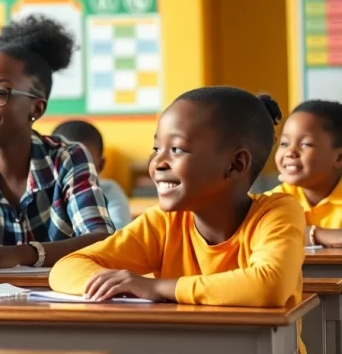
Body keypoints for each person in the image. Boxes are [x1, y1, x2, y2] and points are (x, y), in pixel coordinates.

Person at [48, 88, 304, 314]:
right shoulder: (163, 222)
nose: (157, 163)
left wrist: (155, 287)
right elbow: (67, 268)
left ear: (235, 165)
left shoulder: (277, 211)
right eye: (157, 149)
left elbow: (270, 285)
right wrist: (121, 287)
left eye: (177, 149)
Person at [0, 15, 114, 271]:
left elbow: (102, 241)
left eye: (0, 92)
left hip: (58, 304)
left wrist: (22, 254)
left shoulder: (67, 159)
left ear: (36, 107)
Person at [268, 100, 342, 247]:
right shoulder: (276, 200)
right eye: (284, 143)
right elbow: (265, 236)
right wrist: (317, 235)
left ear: (339, 158)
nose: (290, 152)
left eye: (305, 144)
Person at [53, 120, 132, 229]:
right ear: (50, 162)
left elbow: (119, 234)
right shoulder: (42, 193)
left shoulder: (109, 191)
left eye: (85, 165)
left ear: (100, 165)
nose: (74, 173)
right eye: (65, 163)